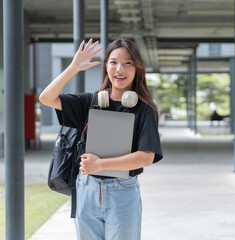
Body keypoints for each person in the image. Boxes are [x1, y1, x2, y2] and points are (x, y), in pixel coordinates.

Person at [39, 38, 163, 239]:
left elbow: (146, 157)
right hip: (86, 189)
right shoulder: (90, 101)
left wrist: (101, 164)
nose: (119, 69)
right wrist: (73, 67)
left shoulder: (144, 110)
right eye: (113, 62)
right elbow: (46, 98)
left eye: (127, 63)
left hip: (122, 191)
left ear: (137, 68)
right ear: (106, 66)